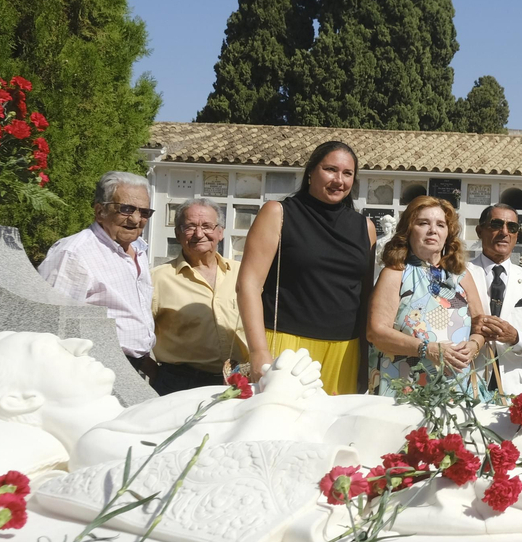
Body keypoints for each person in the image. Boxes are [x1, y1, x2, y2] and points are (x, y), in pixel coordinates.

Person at [238, 141, 377, 396]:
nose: (339, 180)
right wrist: (258, 351)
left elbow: (365, 298)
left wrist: (365, 360)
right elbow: (249, 285)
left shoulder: (365, 228)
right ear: (311, 171)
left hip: (344, 351)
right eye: (330, 170)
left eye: (347, 174)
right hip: (286, 347)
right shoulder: (277, 213)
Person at [367, 196, 488, 399]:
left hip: (455, 389)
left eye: (440, 225)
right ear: (408, 230)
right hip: (403, 388)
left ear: (448, 233)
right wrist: (427, 349)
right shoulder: (395, 273)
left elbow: (480, 326)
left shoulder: (462, 276)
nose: (433, 230)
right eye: (423, 223)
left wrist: (474, 345)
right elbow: (376, 332)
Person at [38, 172, 156, 378]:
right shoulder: (74, 253)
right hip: (94, 368)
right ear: (100, 211)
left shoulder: (138, 250)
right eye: (126, 209)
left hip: (135, 368)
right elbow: (51, 324)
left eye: (144, 212)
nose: (136, 219)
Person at [149, 199, 247, 394]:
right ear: (177, 233)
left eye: (207, 226)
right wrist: (157, 375)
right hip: (180, 384)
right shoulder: (157, 279)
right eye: (190, 227)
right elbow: (134, 336)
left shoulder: (243, 275)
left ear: (220, 232)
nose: (199, 234)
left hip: (239, 382)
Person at [466, 203, 522, 398]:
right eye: (496, 224)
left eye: (511, 227)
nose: (504, 232)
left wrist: (515, 336)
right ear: (480, 231)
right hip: (468, 380)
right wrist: (470, 327)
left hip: (512, 385)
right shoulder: (460, 274)